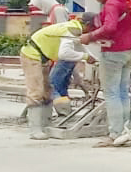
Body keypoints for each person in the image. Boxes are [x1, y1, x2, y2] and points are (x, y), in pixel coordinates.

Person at [76, 0, 131, 147]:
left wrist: (90, 36)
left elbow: (110, 27)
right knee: (123, 92)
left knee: (111, 93)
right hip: (129, 50)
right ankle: (126, 130)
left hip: (113, 51)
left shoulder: (111, 4)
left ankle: (115, 133)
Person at [18, 12, 97, 140]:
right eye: (93, 28)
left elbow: (79, 46)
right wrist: (85, 57)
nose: (93, 32)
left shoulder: (74, 28)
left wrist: (93, 57)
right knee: (36, 91)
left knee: (47, 91)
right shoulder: (72, 30)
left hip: (42, 56)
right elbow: (64, 54)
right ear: (87, 25)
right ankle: (35, 129)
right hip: (32, 55)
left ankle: (45, 124)